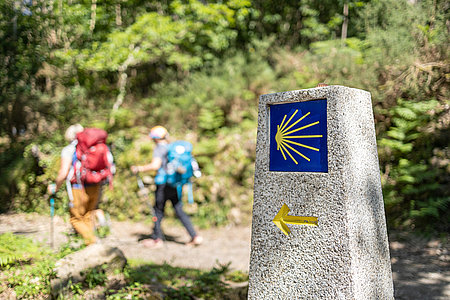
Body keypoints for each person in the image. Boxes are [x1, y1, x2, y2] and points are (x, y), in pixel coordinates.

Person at [131, 125, 203, 248]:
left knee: (158, 211)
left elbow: (155, 165)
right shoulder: (171, 147)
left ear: (155, 138)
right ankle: (195, 236)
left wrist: (139, 168)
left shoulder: (159, 148)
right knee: (178, 209)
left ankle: (157, 239)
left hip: (163, 183)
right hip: (173, 183)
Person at [48, 124, 112, 245]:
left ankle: (93, 243)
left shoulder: (69, 149)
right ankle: (91, 244)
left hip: (78, 188)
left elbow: (63, 173)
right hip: (96, 185)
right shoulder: (98, 146)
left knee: (76, 219)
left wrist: (55, 187)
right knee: (87, 216)